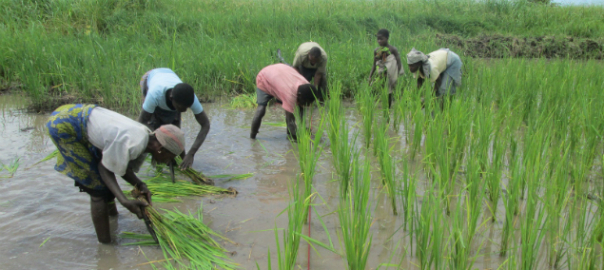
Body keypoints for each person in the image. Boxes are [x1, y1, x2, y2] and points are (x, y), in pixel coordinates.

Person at [47, 104, 186, 244]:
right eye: (170, 157)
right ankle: (106, 246)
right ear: (161, 149)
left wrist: (140, 184)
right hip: (65, 125)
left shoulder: (145, 138)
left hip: (75, 113)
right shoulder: (135, 143)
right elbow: (104, 168)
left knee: (108, 187)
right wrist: (124, 201)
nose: (168, 162)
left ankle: (113, 219)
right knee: (98, 191)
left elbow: (121, 166)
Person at [137, 68, 210, 170]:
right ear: (171, 98)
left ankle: (178, 162)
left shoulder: (189, 97)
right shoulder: (154, 94)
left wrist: (191, 153)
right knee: (156, 127)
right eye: (181, 107)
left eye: (187, 107)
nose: (184, 111)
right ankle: (159, 163)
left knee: (175, 130)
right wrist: (160, 144)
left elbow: (205, 125)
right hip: (149, 78)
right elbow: (141, 123)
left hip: (168, 75)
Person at [250, 64, 321, 140]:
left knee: (300, 106)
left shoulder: (306, 86)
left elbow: (301, 107)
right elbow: (290, 121)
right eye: (307, 102)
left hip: (279, 73)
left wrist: (304, 128)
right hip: (264, 78)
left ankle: (289, 135)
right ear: (299, 95)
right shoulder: (290, 94)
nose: (308, 105)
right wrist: (297, 141)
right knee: (261, 110)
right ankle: (252, 137)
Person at [368, 29, 404, 108]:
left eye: (381, 39)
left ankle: (388, 109)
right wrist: (370, 76)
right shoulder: (377, 51)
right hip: (381, 74)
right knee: (379, 90)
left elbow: (398, 62)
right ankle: (381, 107)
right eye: (378, 39)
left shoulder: (392, 49)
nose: (379, 41)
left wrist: (396, 74)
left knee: (389, 92)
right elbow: (374, 64)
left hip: (390, 74)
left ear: (387, 38)